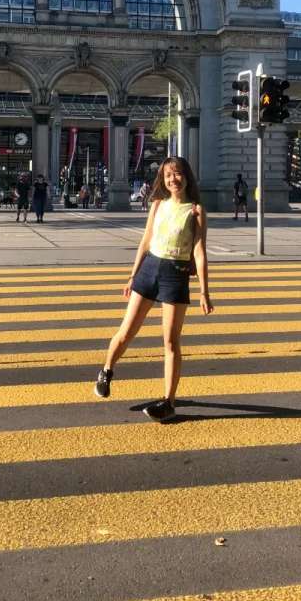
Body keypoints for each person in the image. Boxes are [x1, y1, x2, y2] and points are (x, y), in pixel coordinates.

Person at [94, 156, 214, 422]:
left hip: (176, 275)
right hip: (149, 270)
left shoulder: (196, 211)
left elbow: (200, 252)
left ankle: (168, 401)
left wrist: (205, 291)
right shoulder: (157, 205)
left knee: (171, 342)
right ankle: (106, 371)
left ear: (187, 177)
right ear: (163, 179)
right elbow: (145, 243)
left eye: (178, 174)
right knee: (126, 332)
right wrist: (131, 276)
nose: (174, 179)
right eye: (169, 175)